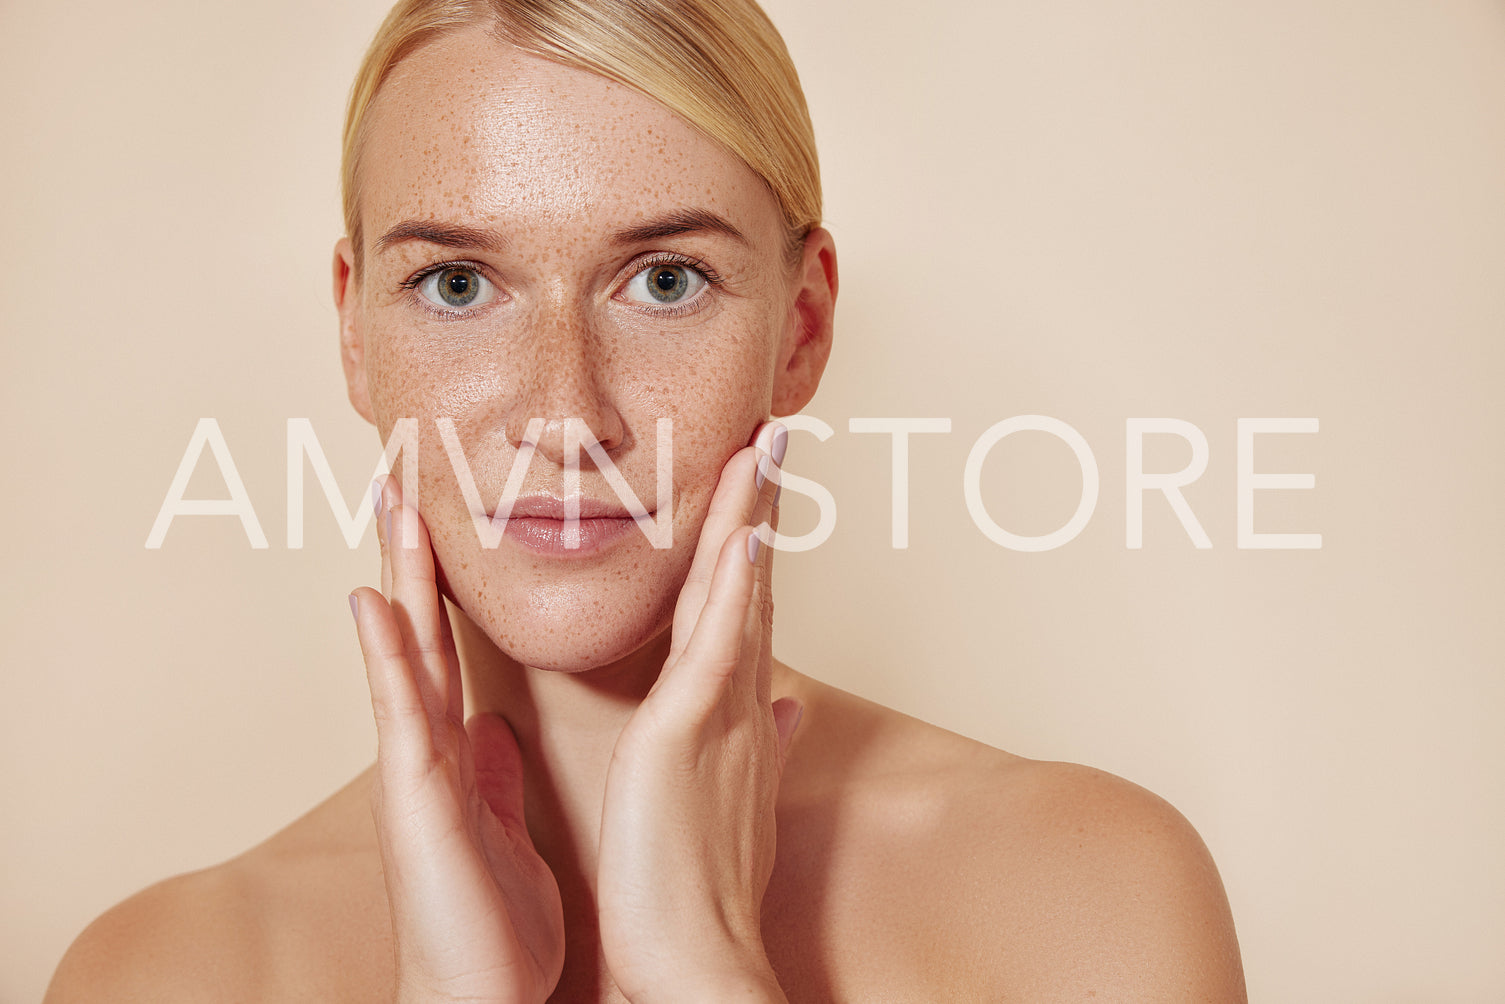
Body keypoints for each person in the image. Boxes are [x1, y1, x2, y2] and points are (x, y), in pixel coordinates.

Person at [45, 1, 1246, 999]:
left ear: (802, 329)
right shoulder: (163, 971)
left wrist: (707, 967)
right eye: (458, 283)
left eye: (663, 281)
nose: (567, 414)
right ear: (354, 331)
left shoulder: (1086, 901)